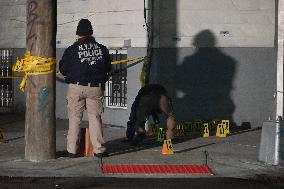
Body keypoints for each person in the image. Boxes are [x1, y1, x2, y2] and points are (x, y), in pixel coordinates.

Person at [59, 19, 111, 158]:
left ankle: (72, 151)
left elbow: (63, 68)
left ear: (78, 34)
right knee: (95, 118)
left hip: (76, 87)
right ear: (91, 33)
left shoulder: (72, 49)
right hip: (95, 88)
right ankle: (99, 150)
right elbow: (108, 68)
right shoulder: (102, 48)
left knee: (75, 118)